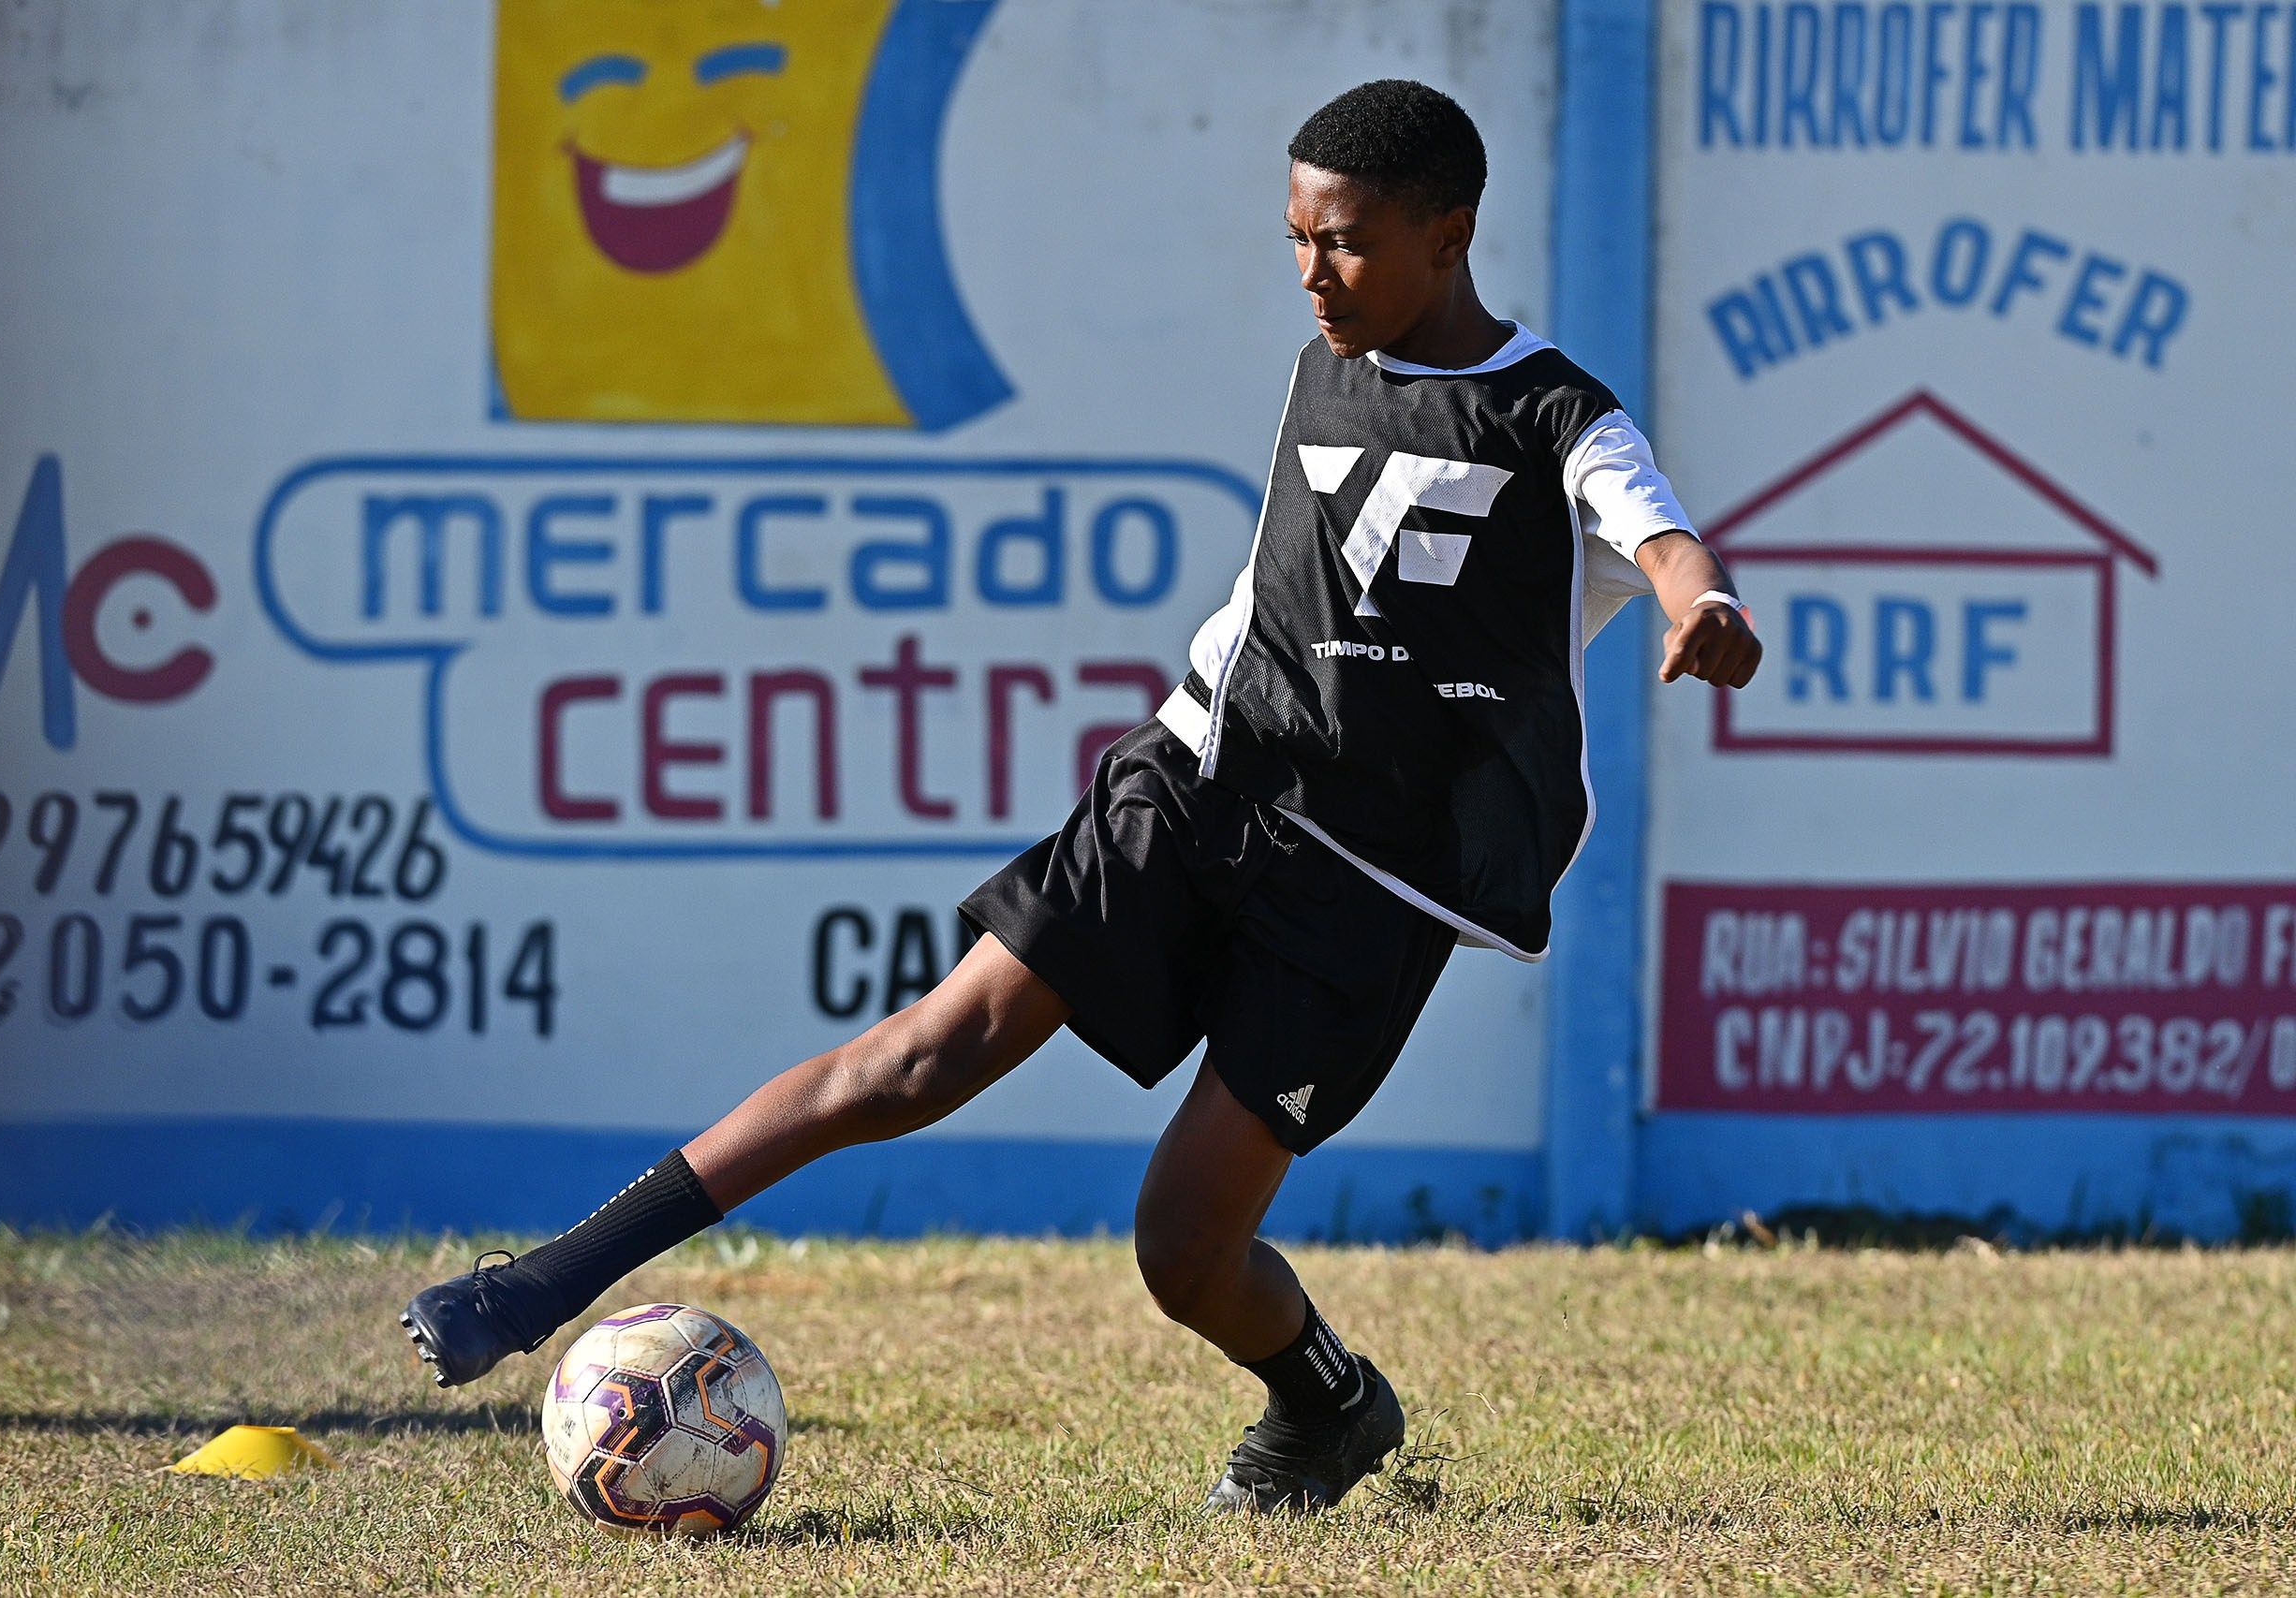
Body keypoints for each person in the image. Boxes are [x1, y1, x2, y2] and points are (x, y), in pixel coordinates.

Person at [401, 78, 1762, 1515]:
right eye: (1298, 238)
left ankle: (1329, 1405)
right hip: (1196, 778)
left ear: (1451, 234)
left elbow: (1663, 539)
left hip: (1369, 887)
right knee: (918, 1057)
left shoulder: (1559, 417)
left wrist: (1704, 604)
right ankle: (539, 1284)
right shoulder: (1327, 359)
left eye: (1348, 243)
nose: (1313, 273)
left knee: (1183, 1249)